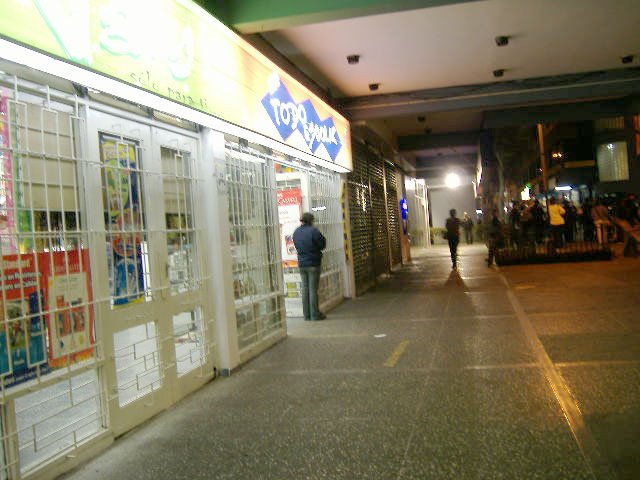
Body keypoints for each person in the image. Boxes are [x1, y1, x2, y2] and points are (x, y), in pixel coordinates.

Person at [292, 212, 327, 321]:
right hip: (313, 263)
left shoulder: (296, 232)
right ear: (311, 220)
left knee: (305, 290)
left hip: (302, 263)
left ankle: (306, 315)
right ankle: (315, 314)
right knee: (313, 290)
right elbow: (322, 245)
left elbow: (296, 245)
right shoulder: (314, 231)